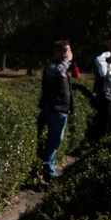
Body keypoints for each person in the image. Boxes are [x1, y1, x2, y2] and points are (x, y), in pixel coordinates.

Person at [37, 40, 74, 181]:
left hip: (60, 108)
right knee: (54, 139)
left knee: (56, 139)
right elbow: (58, 72)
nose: (68, 55)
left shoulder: (58, 66)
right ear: (57, 52)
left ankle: (48, 167)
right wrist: (68, 60)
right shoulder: (52, 66)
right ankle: (49, 171)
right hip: (54, 108)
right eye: (65, 52)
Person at [91, 45, 111, 141]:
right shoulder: (103, 67)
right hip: (105, 98)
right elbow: (98, 59)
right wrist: (109, 52)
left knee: (109, 122)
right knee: (103, 122)